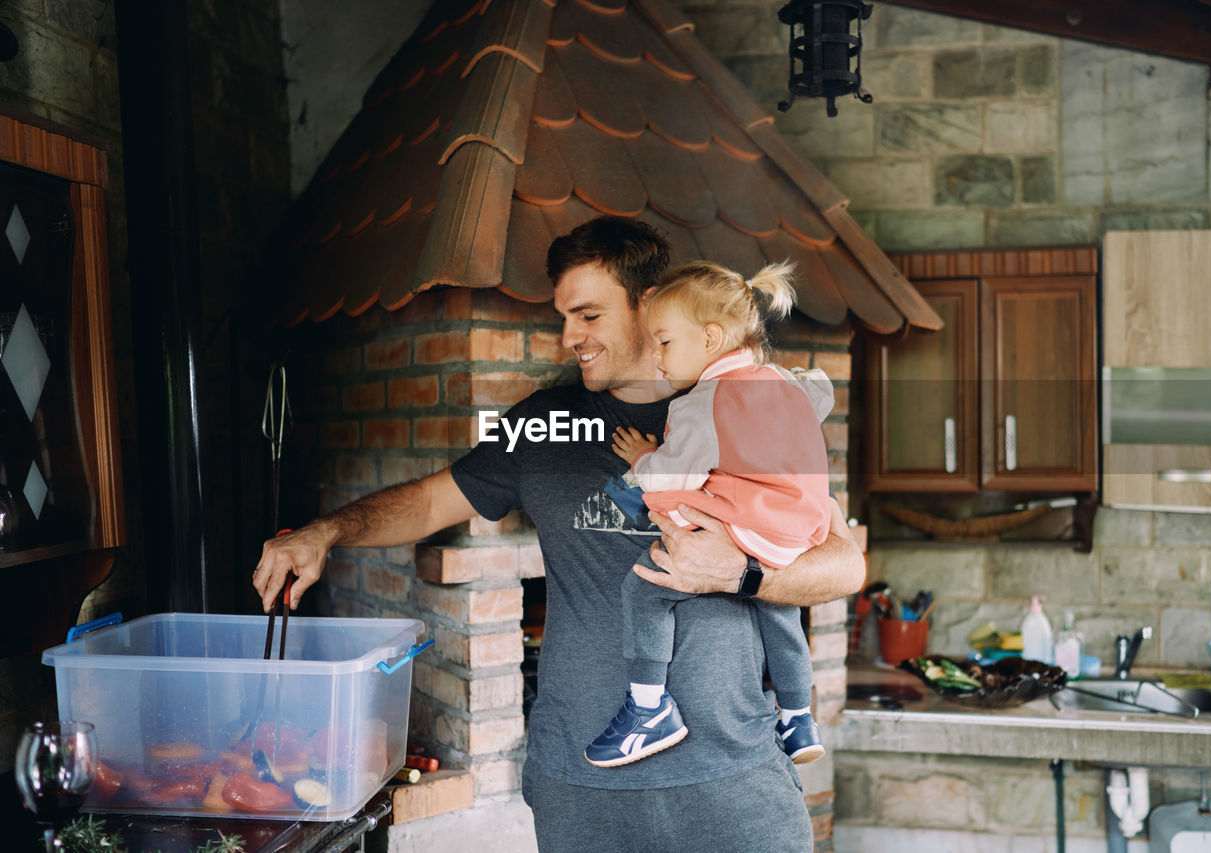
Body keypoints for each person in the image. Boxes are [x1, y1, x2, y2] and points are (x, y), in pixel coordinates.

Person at [252, 216, 865, 853]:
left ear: (648, 306)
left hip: (736, 785)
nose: (570, 336)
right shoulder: (546, 423)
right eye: (564, 317)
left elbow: (844, 566)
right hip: (582, 783)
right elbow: (435, 498)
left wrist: (739, 575)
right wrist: (325, 532)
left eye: (589, 315)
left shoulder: (747, 404)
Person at [584, 260, 832, 770]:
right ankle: (797, 715)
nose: (656, 359)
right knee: (780, 611)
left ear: (712, 337)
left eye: (665, 343)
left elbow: (665, 480)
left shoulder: (701, 404)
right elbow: (820, 396)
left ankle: (651, 709)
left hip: (743, 529)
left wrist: (640, 459)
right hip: (795, 533)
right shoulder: (786, 383)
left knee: (645, 587)